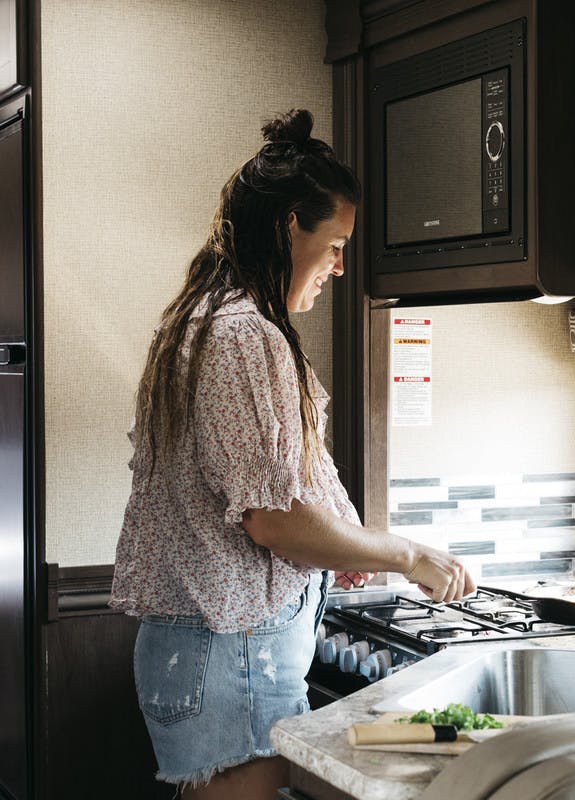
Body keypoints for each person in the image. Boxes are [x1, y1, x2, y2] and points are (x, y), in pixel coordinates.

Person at [109, 109, 475, 800]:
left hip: (200, 651)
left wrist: (344, 546)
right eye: (335, 244)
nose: (340, 267)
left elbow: (261, 495)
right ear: (289, 228)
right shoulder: (247, 335)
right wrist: (405, 553)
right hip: (231, 653)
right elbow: (273, 522)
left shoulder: (199, 318)